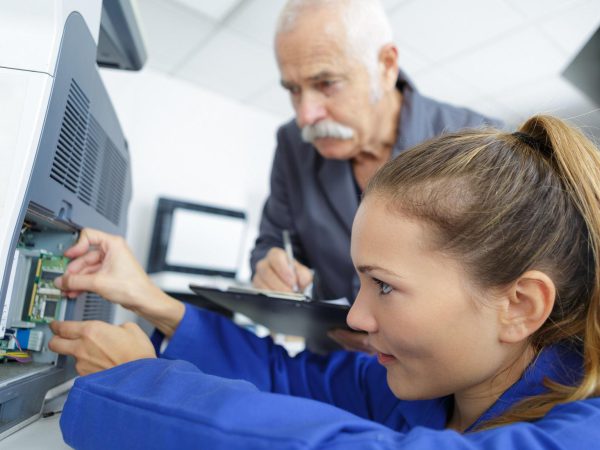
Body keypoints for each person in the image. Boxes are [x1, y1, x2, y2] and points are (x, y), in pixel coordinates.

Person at [50, 115, 600, 448]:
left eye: (383, 285)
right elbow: (287, 379)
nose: (355, 319)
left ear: (520, 306)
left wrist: (141, 383)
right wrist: (149, 299)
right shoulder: (426, 388)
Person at [250, 0, 501, 352]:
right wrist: (270, 266)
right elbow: (271, 242)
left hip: (436, 375)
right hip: (332, 364)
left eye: (326, 83)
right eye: (293, 89)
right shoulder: (292, 144)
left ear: (386, 66)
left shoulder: (482, 144)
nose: (306, 115)